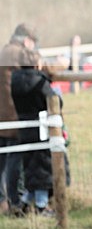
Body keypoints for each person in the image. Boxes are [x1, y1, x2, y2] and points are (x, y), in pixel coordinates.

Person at [10, 48, 59, 217]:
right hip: (41, 126)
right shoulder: (39, 81)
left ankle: (25, 201)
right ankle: (41, 204)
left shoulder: (14, 80)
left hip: (23, 124)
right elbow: (54, 100)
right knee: (42, 165)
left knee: (29, 165)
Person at [0, 23, 38, 216]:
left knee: (3, 159)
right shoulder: (19, 53)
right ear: (26, 40)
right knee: (15, 159)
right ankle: (15, 201)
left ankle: (2, 201)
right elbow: (37, 66)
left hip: (2, 114)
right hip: (13, 114)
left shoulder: (4, 51)